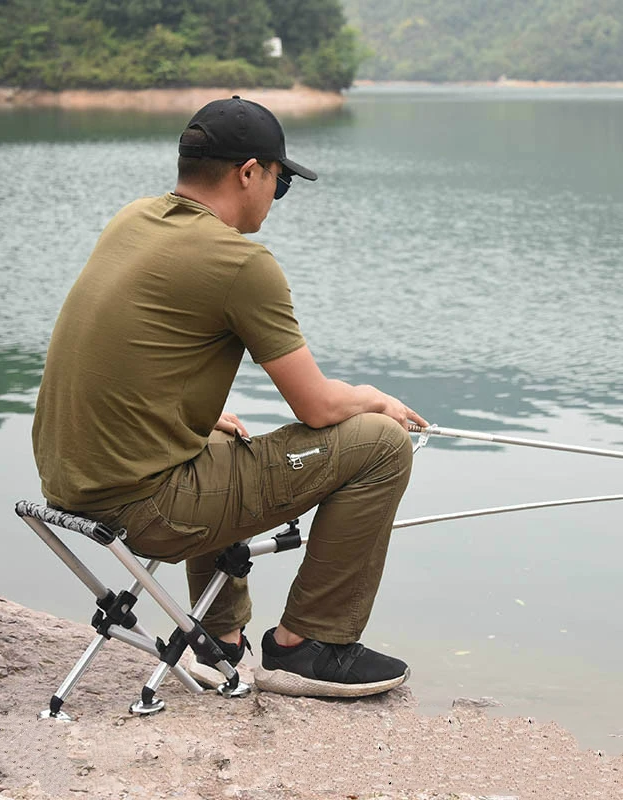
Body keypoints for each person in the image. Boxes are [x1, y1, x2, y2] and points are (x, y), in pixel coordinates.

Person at [32, 96, 428, 698]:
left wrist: (181, 414)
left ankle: (219, 640)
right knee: (381, 445)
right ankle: (309, 645)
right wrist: (373, 398)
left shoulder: (133, 219)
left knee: (223, 438)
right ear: (249, 172)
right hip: (144, 507)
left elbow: (117, 353)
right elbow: (317, 408)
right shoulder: (241, 263)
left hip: (69, 483)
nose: (276, 196)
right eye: (280, 182)